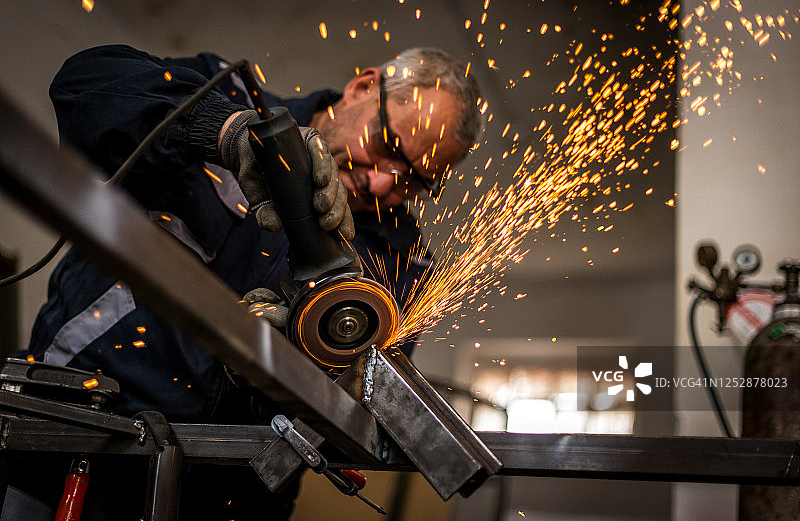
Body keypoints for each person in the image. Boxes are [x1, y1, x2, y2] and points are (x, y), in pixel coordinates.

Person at [4, 44, 482, 520]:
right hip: (72, 440)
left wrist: (302, 369)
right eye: (388, 147)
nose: (382, 185)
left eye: (415, 180)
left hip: (228, 498)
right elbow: (83, 84)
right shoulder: (223, 95)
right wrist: (222, 129)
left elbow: (359, 413)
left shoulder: (406, 267)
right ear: (363, 87)